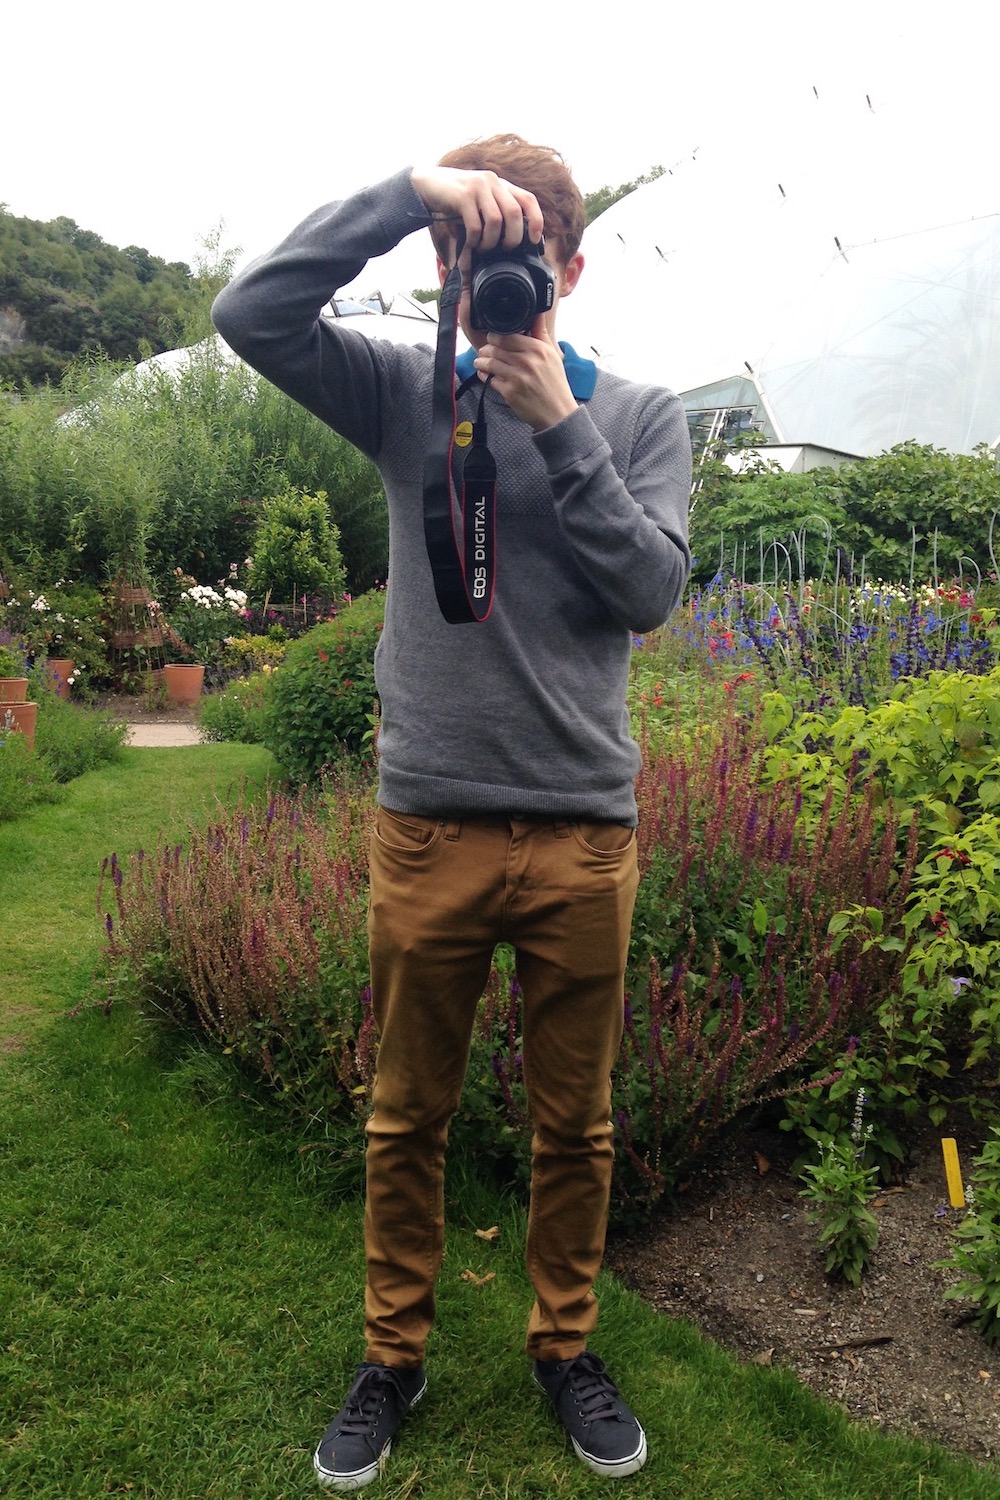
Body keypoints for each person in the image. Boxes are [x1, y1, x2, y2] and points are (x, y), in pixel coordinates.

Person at [212, 133, 692, 1492]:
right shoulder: (393, 390)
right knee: (404, 1114)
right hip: (426, 824)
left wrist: (557, 423)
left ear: (573, 269)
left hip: (583, 832)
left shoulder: (642, 414)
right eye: (475, 253)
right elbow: (247, 312)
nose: (499, 281)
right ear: (445, 263)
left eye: (525, 256)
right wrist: (403, 194)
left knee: (576, 1125)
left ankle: (565, 1348)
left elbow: (649, 591)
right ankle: (392, 1354)